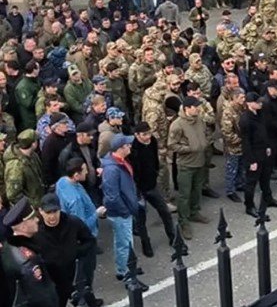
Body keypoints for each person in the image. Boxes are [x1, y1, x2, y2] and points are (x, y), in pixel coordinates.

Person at [34, 192, 98, 307]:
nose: (52, 216)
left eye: (55, 211)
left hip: (74, 276)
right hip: (54, 280)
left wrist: (76, 252)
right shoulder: (36, 231)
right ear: (41, 211)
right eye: (48, 212)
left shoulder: (72, 222)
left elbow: (89, 240)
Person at [1, 198, 60, 306]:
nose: (37, 220)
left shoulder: (8, 246)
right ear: (23, 226)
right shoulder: (28, 262)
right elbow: (41, 296)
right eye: (32, 218)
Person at [128, 122, 175, 256]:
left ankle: (173, 237)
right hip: (139, 189)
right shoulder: (133, 149)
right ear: (136, 135)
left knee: (165, 211)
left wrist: (155, 172)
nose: (148, 136)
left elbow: (154, 158)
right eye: (144, 134)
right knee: (141, 219)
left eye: (149, 133)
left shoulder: (152, 141)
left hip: (152, 184)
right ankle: (146, 243)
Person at [101, 134, 142, 283]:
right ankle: (127, 273)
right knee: (125, 243)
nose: (130, 147)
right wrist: (125, 211)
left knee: (123, 241)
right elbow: (112, 196)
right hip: (121, 212)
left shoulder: (117, 163)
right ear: (120, 148)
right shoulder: (113, 169)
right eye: (127, 145)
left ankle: (123, 268)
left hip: (123, 210)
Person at [167, 96, 210, 239]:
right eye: (195, 106)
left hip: (200, 161)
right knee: (184, 195)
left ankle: (194, 212)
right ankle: (183, 221)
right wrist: (189, 148)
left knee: (197, 190)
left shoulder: (199, 120)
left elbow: (205, 134)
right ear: (187, 108)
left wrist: (204, 143)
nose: (198, 108)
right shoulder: (177, 125)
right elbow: (172, 145)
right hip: (186, 164)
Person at [240, 92, 277, 218]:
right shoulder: (246, 120)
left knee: (265, 178)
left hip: (263, 150)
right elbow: (246, 142)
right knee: (251, 182)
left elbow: (264, 132)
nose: (260, 104)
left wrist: (268, 146)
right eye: (257, 102)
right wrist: (251, 161)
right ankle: (249, 205)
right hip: (254, 154)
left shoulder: (259, 114)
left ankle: (268, 198)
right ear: (249, 104)